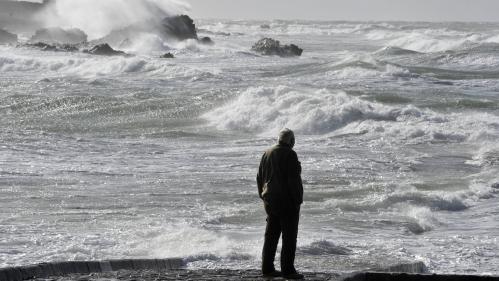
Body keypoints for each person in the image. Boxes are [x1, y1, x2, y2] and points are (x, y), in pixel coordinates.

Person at [257, 128, 304, 279]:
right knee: (289, 237)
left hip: (270, 201)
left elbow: (259, 178)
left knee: (271, 236)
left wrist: (263, 196)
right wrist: (297, 201)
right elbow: (293, 181)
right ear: (291, 141)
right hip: (287, 202)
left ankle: (267, 268)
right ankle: (288, 271)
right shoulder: (290, 154)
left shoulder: (267, 152)